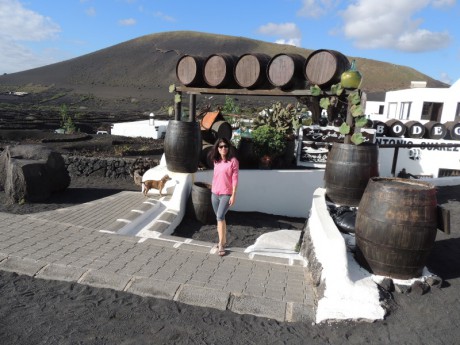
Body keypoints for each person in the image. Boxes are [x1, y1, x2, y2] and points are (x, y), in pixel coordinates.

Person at [210, 137, 239, 256]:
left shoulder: (233, 161)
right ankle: (223, 240)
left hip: (226, 194)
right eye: (221, 146)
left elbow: (235, 179)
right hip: (215, 194)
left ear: (228, 147)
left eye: (225, 146)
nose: (223, 148)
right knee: (220, 219)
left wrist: (233, 195)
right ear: (217, 148)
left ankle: (221, 245)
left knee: (220, 216)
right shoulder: (216, 161)